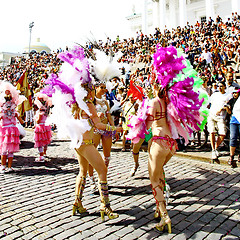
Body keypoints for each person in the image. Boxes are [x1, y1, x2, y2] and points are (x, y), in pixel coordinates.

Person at [145, 83, 177, 233]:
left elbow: (146, 125)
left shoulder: (154, 102)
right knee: (159, 173)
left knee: (154, 180)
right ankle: (158, 209)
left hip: (159, 142)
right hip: (170, 144)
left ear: (157, 85)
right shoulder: (169, 100)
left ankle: (165, 216)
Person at [0, 82, 25, 173]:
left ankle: (3, 167)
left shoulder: (2, 112)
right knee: (10, 150)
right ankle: (9, 167)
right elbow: (22, 122)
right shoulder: (14, 112)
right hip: (13, 130)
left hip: (5, 130)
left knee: (3, 150)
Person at [207, 81, 231, 161]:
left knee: (223, 133)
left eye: (221, 86)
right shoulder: (214, 94)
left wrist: (222, 108)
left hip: (220, 117)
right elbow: (209, 103)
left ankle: (216, 147)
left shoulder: (227, 96)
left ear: (224, 87)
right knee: (212, 131)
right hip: (211, 114)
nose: (220, 88)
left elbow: (228, 107)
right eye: (218, 86)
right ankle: (213, 149)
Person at [34, 93, 52, 162]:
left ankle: (41, 156)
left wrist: (37, 118)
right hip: (46, 126)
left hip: (40, 127)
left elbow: (38, 121)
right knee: (45, 140)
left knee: (39, 141)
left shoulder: (40, 112)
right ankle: (44, 153)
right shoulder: (46, 111)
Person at [225, 88, 240, 168]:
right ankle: (232, 156)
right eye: (233, 93)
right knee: (233, 137)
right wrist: (227, 108)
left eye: (236, 93)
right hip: (234, 121)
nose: (234, 94)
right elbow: (230, 112)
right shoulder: (231, 100)